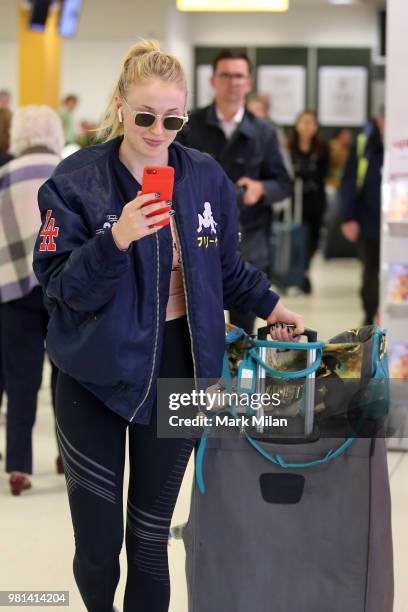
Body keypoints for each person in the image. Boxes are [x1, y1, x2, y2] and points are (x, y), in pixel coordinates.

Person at [33, 40, 304, 612]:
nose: (159, 130)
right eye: (146, 116)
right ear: (121, 107)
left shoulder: (204, 178)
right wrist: (116, 239)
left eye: (174, 119)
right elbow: (60, 289)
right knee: (100, 546)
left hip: (182, 373)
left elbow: (224, 268)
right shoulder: (75, 181)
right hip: (94, 376)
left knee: (151, 538)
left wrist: (271, 305)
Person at [177, 49, 292, 334]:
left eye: (238, 75)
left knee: (245, 324)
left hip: (249, 237)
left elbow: (284, 183)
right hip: (197, 238)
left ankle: (241, 380)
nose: (232, 82)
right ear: (213, 80)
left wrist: (261, 188)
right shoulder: (189, 126)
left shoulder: (264, 132)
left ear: (249, 82)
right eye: (225, 75)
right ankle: (207, 380)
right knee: (200, 323)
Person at [0, 106, 63, 495]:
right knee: (67, 377)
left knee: (21, 380)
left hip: (13, 291)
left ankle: (18, 468)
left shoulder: (4, 176)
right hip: (63, 289)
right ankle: (67, 455)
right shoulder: (69, 170)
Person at [340, 110, 385, 325]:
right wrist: (348, 217)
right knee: (371, 272)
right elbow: (349, 181)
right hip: (369, 219)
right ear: (379, 120)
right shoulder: (364, 142)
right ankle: (370, 318)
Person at [289, 110, 330, 294]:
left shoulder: (322, 147)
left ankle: (305, 271)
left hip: (315, 201)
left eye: (311, 123)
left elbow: (322, 174)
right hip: (295, 202)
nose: (307, 126)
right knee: (297, 238)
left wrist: (303, 173)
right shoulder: (289, 146)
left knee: (313, 239)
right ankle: (297, 274)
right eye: (304, 122)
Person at [326, 128, 353, 192]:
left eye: (349, 136)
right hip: (330, 184)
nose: (348, 137)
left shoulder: (350, 150)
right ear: (339, 135)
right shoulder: (332, 147)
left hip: (344, 185)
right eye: (345, 135)